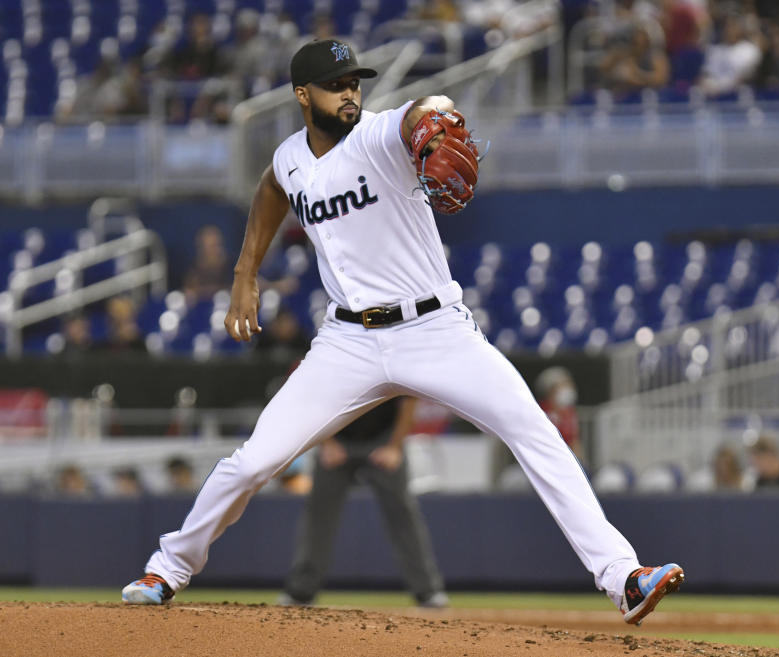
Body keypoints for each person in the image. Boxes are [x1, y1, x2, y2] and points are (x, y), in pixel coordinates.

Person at [121, 39, 683, 625]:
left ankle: (624, 577)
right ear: (301, 95)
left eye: (355, 83)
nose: (350, 94)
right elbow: (271, 188)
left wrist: (433, 117)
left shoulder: (380, 133)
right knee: (254, 460)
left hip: (435, 329)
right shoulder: (290, 158)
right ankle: (168, 568)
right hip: (346, 342)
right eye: (337, 85)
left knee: (533, 431)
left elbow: (422, 107)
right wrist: (245, 272)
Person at [279, 397, 448, 608]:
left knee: (402, 512)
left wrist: (394, 446)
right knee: (319, 515)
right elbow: (316, 400)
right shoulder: (333, 364)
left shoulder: (392, 363)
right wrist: (328, 443)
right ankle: (300, 592)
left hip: (384, 438)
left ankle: (429, 592)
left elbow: (408, 400)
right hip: (336, 435)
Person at [534, 366, 583, 460]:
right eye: (563, 385)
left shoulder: (569, 412)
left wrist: (579, 462)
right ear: (551, 389)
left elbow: (574, 441)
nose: (569, 389)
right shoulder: (541, 412)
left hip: (564, 459)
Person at [183, 225, 233, 303]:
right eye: (212, 246)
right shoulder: (195, 269)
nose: (216, 250)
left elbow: (238, 289)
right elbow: (189, 291)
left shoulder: (231, 266)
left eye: (218, 245)